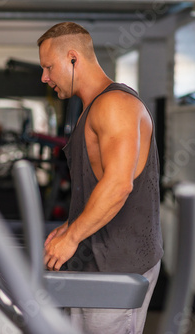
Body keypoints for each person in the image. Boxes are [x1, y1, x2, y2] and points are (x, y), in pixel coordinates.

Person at [38, 22, 163, 333]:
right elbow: (98, 184)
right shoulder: (91, 108)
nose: (45, 77)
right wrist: (72, 226)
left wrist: (72, 237)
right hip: (97, 261)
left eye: (48, 67)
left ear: (73, 58)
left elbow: (119, 185)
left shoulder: (114, 104)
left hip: (119, 265)